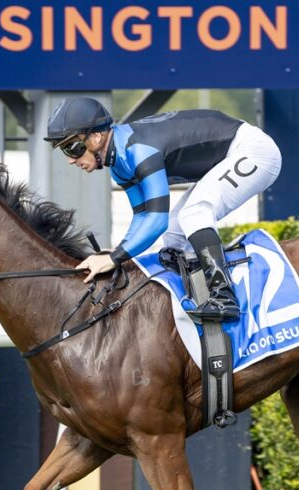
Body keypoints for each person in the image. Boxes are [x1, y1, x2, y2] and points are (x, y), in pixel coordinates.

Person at [44, 96, 282, 323]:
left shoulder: (138, 151)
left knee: (194, 213)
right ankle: (189, 296)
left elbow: (157, 220)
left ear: (96, 137)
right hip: (231, 152)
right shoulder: (118, 165)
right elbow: (143, 216)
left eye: (71, 147)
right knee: (175, 235)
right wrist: (118, 252)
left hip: (254, 151)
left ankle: (224, 297)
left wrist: (116, 258)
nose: (70, 159)